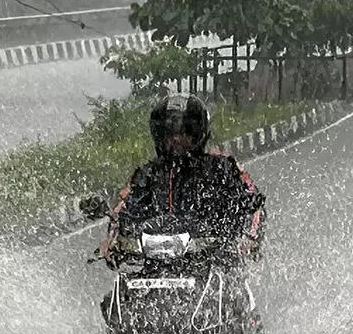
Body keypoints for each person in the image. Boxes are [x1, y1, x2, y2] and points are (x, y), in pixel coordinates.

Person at [100, 94, 265, 263]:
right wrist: (112, 241)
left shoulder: (222, 168)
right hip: (155, 258)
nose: (176, 139)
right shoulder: (146, 174)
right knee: (124, 275)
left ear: (197, 134)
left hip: (213, 257)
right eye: (169, 133)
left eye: (185, 132)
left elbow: (254, 204)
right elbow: (124, 209)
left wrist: (248, 239)